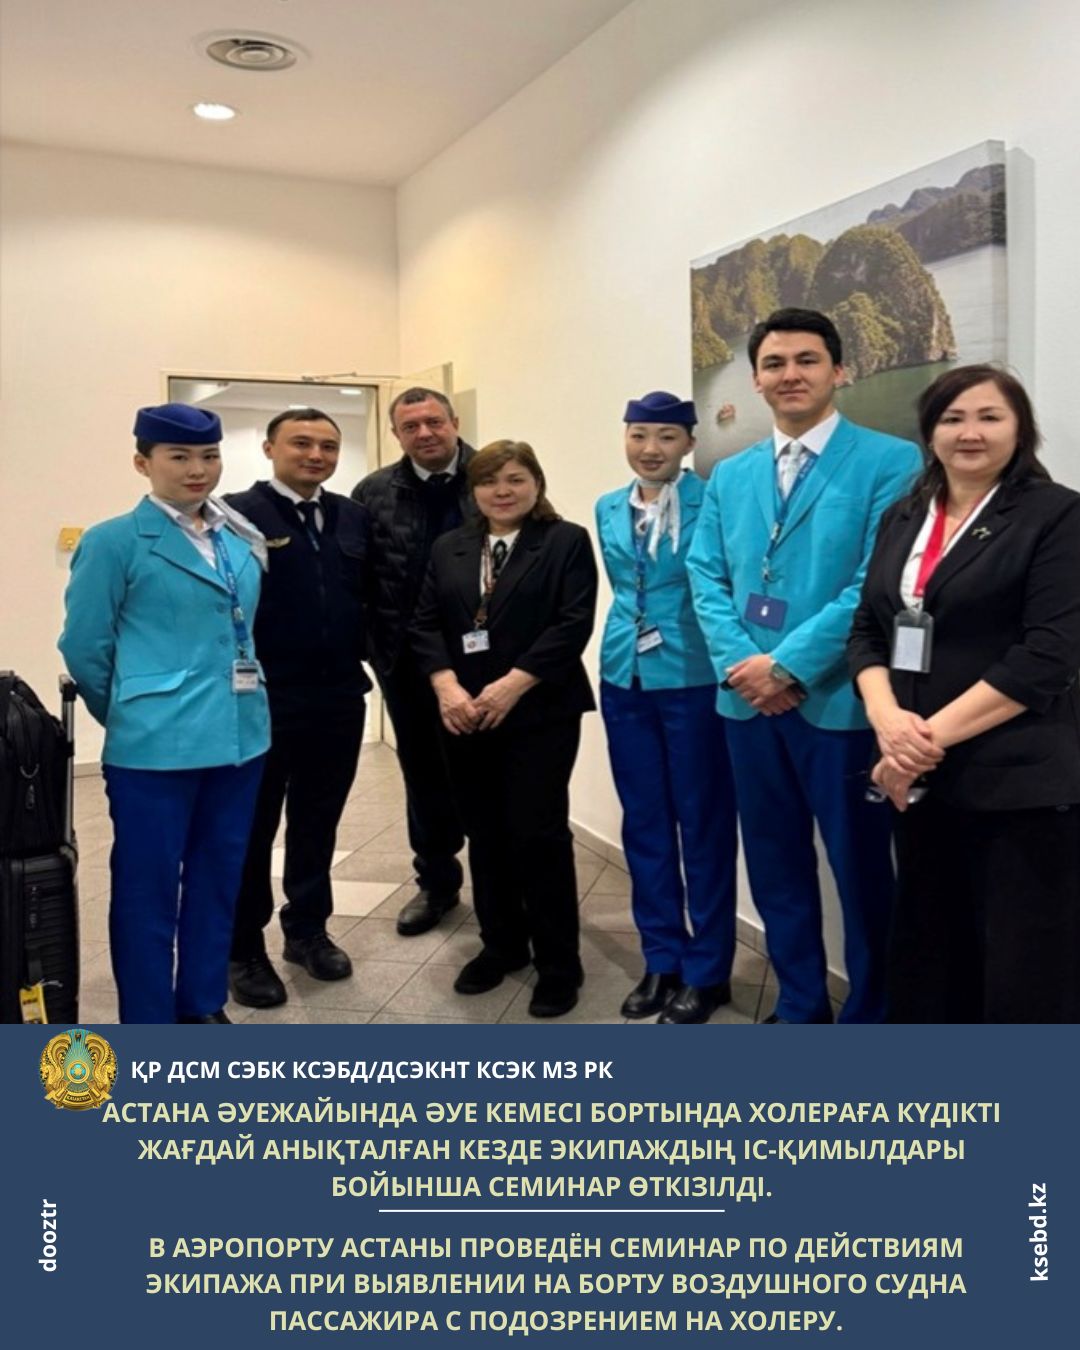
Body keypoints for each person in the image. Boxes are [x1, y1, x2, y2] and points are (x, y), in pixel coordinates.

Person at [686, 308, 921, 1024]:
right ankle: (800, 1006)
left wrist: (786, 666)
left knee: (862, 871)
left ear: (839, 370)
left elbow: (875, 583)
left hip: (840, 702)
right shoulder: (729, 474)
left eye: (807, 360)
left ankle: (872, 1018)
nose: (791, 374)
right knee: (773, 861)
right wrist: (744, 666)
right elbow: (705, 573)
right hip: (745, 704)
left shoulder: (893, 462)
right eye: (775, 363)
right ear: (756, 380)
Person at [849, 365, 1080, 1022]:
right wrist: (888, 721)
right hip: (922, 781)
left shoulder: (1057, 515)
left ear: (1020, 429)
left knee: (1022, 971)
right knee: (930, 952)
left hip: (1018, 784)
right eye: (952, 418)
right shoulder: (905, 515)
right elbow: (867, 629)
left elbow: (1048, 656)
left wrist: (916, 744)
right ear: (930, 431)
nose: (969, 433)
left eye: (989, 417)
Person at [58, 403, 269, 1023]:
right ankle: (149, 1021)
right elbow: (85, 647)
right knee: (147, 891)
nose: (197, 469)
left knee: (218, 878)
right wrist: (132, 710)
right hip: (153, 748)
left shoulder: (236, 536)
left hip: (241, 736)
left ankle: (201, 1004)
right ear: (142, 462)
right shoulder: (113, 541)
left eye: (209, 456)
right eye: (179, 457)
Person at [411, 440, 598, 1017]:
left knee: (538, 836)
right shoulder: (450, 547)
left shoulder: (564, 541)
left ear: (536, 483)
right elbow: (424, 621)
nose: (502, 491)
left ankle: (558, 964)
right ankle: (502, 945)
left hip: (539, 711)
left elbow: (573, 623)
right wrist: (446, 686)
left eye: (515, 479)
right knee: (485, 833)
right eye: (489, 481)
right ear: (473, 491)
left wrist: (512, 685)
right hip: (464, 713)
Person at [595, 391, 738, 1023]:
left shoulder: (715, 501)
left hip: (695, 675)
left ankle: (708, 969)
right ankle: (662, 958)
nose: (650, 449)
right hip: (623, 675)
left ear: (689, 443)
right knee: (644, 822)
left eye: (665, 437)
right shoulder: (607, 506)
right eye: (638, 435)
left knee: (703, 821)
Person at [224, 408, 372, 1008]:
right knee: (253, 827)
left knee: (317, 823)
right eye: (301, 443)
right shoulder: (235, 514)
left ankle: (307, 930)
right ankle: (243, 947)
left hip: (338, 698)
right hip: (263, 700)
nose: (316, 455)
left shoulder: (353, 516)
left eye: (328, 446)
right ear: (269, 449)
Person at [351, 389, 472, 937]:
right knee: (423, 774)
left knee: (491, 773)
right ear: (396, 434)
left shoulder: (493, 476)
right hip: (405, 662)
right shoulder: (374, 492)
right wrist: (372, 647)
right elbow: (357, 577)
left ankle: (508, 886)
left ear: (454, 421)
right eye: (411, 426)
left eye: (434, 422)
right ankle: (437, 882)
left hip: (484, 661)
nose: (424, 433)